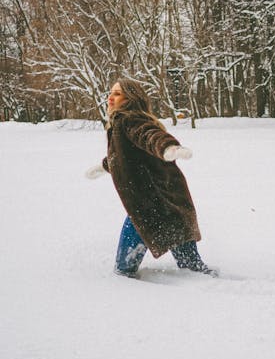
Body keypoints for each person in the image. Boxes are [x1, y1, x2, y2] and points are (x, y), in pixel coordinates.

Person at [85, 78, 217, 278]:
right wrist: (103, 166)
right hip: (165, 201)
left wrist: (168, 147)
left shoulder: (129, 120)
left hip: (150, 206)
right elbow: (122, 157)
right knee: (191, 265)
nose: (111, 97)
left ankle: (214, 293)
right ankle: (203, 281)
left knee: (124, 270)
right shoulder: (119, 123)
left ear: (131, 98)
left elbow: (149, 135)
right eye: (111, 93)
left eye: (117, 93)